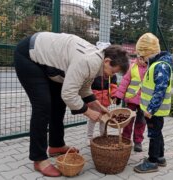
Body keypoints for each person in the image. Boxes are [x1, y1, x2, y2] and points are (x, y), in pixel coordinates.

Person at [14, 32, 129, 177]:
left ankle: (56, 145)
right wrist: (89, 112)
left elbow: (83, 88)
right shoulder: (89, 61)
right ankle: (39, 158)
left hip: (51, 64)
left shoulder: (97, 62)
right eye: (113, 71)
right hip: (29, 56)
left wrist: (96, 105)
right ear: (107, 61)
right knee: (42, 106)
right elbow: (69, 94)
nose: (111, 76)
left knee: (58, 104)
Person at [133, 33, 173, 173]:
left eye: (141, 56)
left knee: (153, 135)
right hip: (156, 110)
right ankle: (160, 157)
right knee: (158, 132)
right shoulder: (157, 64)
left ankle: (152, 161)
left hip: (154, 110)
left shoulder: (160, 66)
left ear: (148, 53)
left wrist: (150, 109)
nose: (141, 59)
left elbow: (160, 90)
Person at [115, 57, 148, 152]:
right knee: (128, 121)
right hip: (131, 99)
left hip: (144, 101)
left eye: (144, 60)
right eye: (140, 58)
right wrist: (119, 96)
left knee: (141, 122)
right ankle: (125, 139)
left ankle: (138, 141)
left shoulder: (150, 68)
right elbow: (124, 82)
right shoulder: (132, 67)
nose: (142, 61)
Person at [87, 75, 118, 144]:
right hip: (94, 101)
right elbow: (87, 87)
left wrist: (114, 96)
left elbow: (113, 86)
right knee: (93, 119)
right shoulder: (95, 72)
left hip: (105, 101)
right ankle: (89, 137)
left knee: (104, 119)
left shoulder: (112, 74)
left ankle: (103, 136)